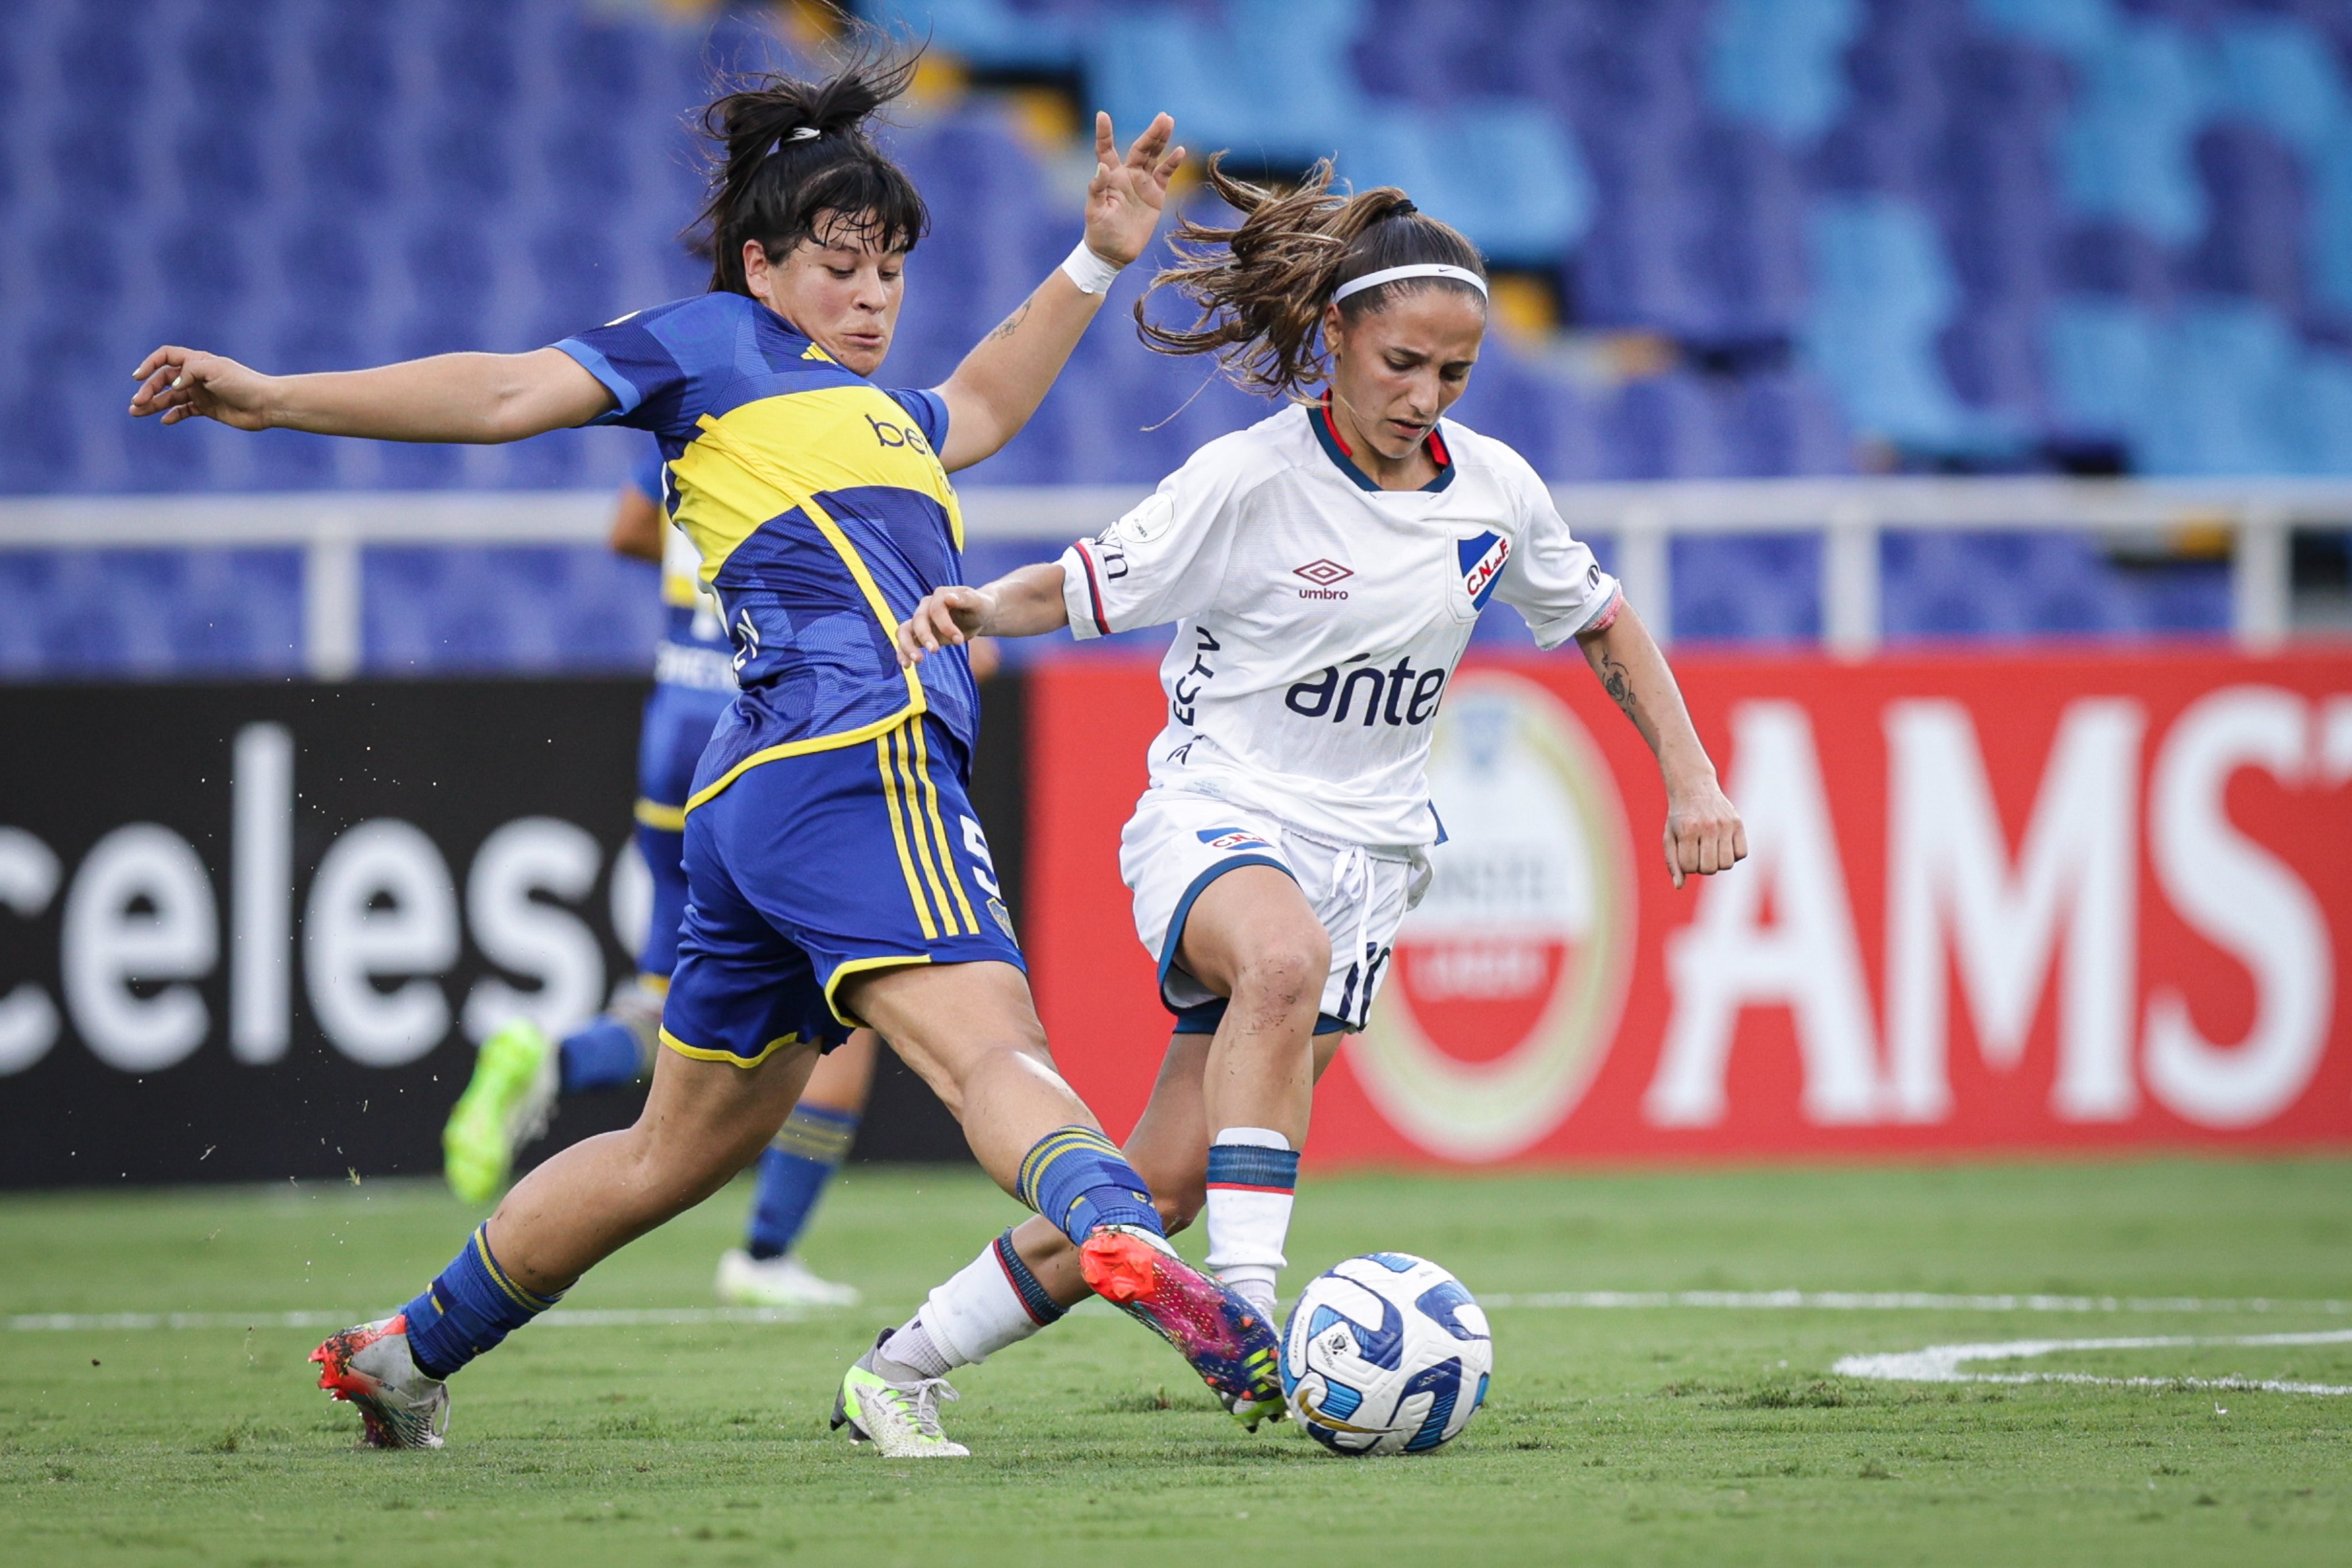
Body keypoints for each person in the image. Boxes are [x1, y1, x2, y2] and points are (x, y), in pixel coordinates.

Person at [129, 48, 1284, 1457]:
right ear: (759, 263)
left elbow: (975, 409)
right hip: (859, 742)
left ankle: (401, 1351)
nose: (873, 296)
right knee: (990, 1046)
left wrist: (1096, 262)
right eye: (843, 266)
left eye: (892, 272)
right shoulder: (708, 345)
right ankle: (1118, 1236)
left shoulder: (884, 418)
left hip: (750, 786)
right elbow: (500, 392)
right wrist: (272, 396)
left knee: (676, 1147)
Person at [880, 158, 1748, 1451]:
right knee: (1281, 957)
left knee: (1156, 1189)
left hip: (1372, 859)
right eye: (1401, 362)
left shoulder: (1494, 493)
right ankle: (1243, 1320)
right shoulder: (1251, 480)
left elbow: (1601, 617)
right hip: (1215, 815)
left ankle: (898, 1367)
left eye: (1452, 374)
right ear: (1334, 331)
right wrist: (971, 608)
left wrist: (1689, 772)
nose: (1423, 396)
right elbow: (1085, 578)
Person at [443, 442, 956, 1310]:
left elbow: (629, 527)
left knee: (669, 995)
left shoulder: (692, 422)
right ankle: (763, 1256)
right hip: (768, 727)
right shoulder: (837, 430)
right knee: (848, 995)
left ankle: (554, 1064)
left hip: (673, 719)